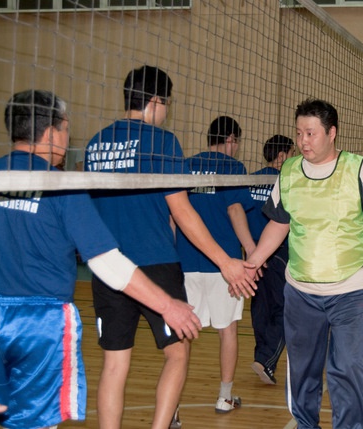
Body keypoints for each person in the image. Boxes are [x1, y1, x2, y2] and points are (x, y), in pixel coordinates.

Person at [0, 89, 201, 429]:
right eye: (66, 129)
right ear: (50, 132)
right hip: (40, 323)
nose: (68, 139)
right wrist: (168, 305)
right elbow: (106, 261)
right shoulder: (62, 185)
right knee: (35, 420)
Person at [85, 66, 255, 429]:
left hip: (109, 266)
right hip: (156, 263)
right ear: (155, 101)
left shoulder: (95, 143)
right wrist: (225, 261)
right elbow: (182, 210)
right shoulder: (162, 141)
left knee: (114, 364)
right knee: (177, 354)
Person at [241, 98, 363, 429]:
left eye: (311, 133)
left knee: (347, 369)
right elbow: (279, 223)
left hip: (350, 291)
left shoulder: (360, 170)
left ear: (331, 133)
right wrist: (253, 263)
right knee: (302, 372)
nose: (303, 141)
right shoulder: (289, 172)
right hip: (300, 293)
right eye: (299, 133)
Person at [175, 115, 254, 414]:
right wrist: (252, 251)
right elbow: (235, 210)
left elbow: (174, 214)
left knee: (183, 334)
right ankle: (224, 397)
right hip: (224, 265)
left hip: (185, 262)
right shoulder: (232, 166)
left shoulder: (185, 165)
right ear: (231, 139)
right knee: (227, 331)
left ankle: (173, 407)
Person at [248, 135, 295, 385]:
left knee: (261, 309)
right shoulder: (287, 181)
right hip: (278, 253)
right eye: (292, 153)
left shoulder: (251, 180)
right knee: (285, 309)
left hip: (253, 254)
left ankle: (261, 357)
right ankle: (266, 360)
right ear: (282, 156)